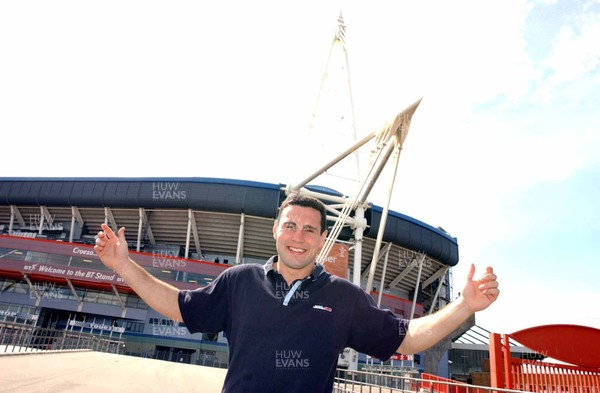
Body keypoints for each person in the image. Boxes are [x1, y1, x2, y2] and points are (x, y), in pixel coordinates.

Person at [94, 194, 499, 393]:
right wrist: (124, 266)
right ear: (275, 229)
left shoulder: (343, 297)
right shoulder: (239, 281)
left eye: (309, 229)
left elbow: (405, 337)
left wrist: (464, 305)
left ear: (323, 238)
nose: (298, 237)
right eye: (290, 226)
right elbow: (180, 307)